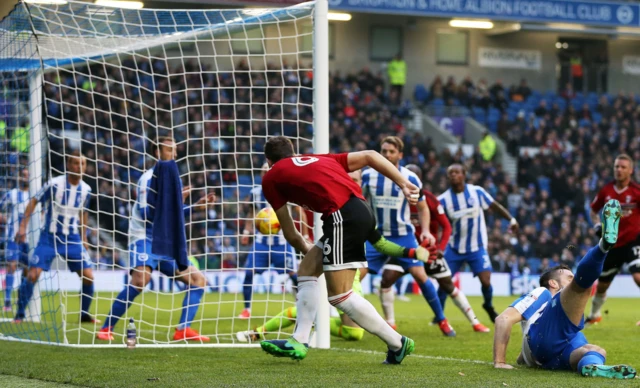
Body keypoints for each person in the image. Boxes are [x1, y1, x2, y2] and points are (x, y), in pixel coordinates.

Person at [258, 136, 420, 363]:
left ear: (269, 160)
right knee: (307, 271)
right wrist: (402, 182)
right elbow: (370, 155)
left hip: (341, 217)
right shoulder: (317, 158)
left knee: (341, 296)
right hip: (358, 211)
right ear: (293, 152)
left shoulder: (271, 178)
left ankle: (397, 343)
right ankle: (299, 339)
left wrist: (305, 247)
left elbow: (291, 233)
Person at [493, 199, 636, 379]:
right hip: (547, 342)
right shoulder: (543, 293)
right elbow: (503, 319)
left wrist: (524, 357)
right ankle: (603, 246)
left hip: (554, 355)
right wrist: (499, 362)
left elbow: (529, 346)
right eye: (569, 277)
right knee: (582, 285)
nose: (572, 279)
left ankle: (591, 367)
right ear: (553, 283)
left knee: (595, 350)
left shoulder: (555, 312)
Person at [97, 137, 215, 342]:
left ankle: (182, 329)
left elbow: (172, 215)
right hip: (144, 237)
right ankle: (107, 328)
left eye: (176, 150)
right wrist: (178, 204)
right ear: (158, 152)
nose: (175, 154)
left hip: (165, 241)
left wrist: (194, 207)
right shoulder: (148, 178)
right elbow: (147, 214)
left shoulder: (174, 181)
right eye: (170, 149)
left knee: (198, 280)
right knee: (141, 280)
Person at [361, 137, 454, 337]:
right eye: (383, 151)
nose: (386, 155)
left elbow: (422, 207)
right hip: (376, 236)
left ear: (400, 155)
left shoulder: (410, 177)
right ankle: (347, 320)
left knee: (421, 276)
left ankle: (442, 320)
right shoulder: (368, 176)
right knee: (354, 277)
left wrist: (427, 230)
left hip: (404, 236)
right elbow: (360, 201)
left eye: (391, 152)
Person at [14, 151, 98, 323]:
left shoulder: (86, 189)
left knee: (89, 277)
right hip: (49, 237)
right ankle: (20, 314)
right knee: (33, 275)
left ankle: (84, 314)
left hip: (73, 238)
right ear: (68, 165)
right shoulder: (54, 184)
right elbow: (34, 201)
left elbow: (84, 213)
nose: (79, 167)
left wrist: (84, 237)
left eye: (82, 164)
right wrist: (23, 226)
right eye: (75, 163)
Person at [405, 164, 490, 333]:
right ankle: (390, 325)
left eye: (411, 177)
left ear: (418, 179)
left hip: (428, 252)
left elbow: (446, 226)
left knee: (449, 286)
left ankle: (474, 322)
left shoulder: (430, 200)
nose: (407, 180)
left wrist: (441, 248)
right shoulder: (396, 199)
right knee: (386, 281)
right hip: (404, 251)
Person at [438, 163, 518, 323]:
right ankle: (439, 315)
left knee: (486, 280)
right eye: (450, 173)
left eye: (457, 172)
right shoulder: (443, 200)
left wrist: (511, 219)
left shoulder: (477, 192)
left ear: (464, 175)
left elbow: (495, 206)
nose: (453, 175)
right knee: (444, 282)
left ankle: (488, 305)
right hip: (454, 248)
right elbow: (439, 223)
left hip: (477, 247)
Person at [239, 163, 303, 319]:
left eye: (268, 171)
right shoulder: (255, 193)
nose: (265, 174)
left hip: (282, 243)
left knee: (295, 276)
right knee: (248, 273)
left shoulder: (287, 192)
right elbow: (251, 214)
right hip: (261, 243)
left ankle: (302, 305)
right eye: (263, 171)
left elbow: (299, 212)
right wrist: (246, 232)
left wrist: (304, 234)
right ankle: (247, 309)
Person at [586, 154, 640, 325]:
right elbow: (593, 210)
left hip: (633, 241)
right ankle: (595, 315)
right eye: (617, 166)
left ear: (630, 170)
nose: (619, 170)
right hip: (612, 243)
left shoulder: (637, 191)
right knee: (602, 286)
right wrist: (596, 226)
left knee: (638, 277)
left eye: (623, 167)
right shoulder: (606, 191)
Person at [1, 168, 30, 312]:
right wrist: (4, 219)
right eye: (23, 175)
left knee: (26, 270)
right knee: (11, 266)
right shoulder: (12, 194)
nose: (25, 178)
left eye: (27, 175)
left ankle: (21, 299)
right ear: (19, 177)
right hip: (13, 237)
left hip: (29, 238)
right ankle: (7, 301)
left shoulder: (34, 196)